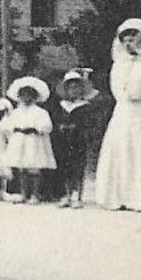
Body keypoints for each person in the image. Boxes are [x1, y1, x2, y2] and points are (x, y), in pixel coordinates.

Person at [95, 19, 141, 212]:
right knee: (121, 147)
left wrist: (139, 92)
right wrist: (127, 94)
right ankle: (119, 196)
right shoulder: (118, 63)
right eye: (125, 38)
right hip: (123, 110)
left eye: (133, 37)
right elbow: (117, 89)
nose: (129, 42)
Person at [47, 69, 99, 208]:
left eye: (77, 87)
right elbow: (55, 121)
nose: (74, 90)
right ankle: (66, 194)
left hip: (78, 140)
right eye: (71, 88)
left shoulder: (85, 106)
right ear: (66, 90)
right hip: (63, 140)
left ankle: (78, 195)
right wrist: (61, 127)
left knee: (78, 167)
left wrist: (77, 127)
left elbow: (89, 123)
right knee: (64, 167)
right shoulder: (61, 106)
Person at [4, 76, 56, 204]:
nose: (26, 98)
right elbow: (8, 125)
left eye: (29, 94)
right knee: (22, 168)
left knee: (35, 168)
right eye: (23, 94)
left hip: (34, 141)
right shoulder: (16, 112)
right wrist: (14, 130)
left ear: (35, 96)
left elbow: (47, 126)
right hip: (20, 141)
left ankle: (35, 194)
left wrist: (35, 128)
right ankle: (23, 193)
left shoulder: (40, 112)